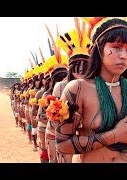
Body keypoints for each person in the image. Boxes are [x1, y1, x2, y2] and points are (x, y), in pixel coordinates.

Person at [55, 17, 127, 163]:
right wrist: (114, 136)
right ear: (99, 49)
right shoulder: (78, 89)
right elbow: (62, 145)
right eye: (116, 47)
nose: (124, 56)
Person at [48, 17, 92, 163]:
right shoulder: (60, 86)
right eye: (76, 66)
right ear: (70, 68)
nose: (80, 70)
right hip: (64, 136)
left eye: (84, 66)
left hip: (85, 138)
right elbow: (53, 118)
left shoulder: (94, 87)